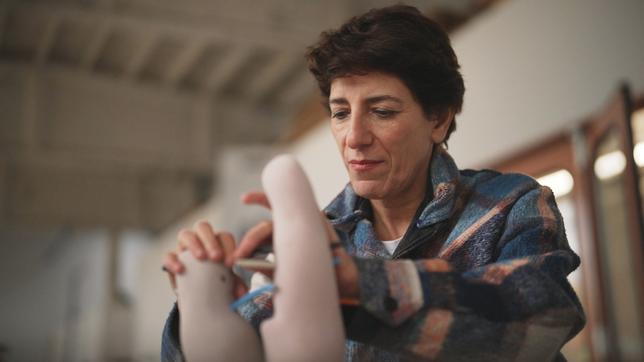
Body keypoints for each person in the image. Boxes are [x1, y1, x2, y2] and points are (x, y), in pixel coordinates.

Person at [161, 5, 585, 361]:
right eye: (340, 112)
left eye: (382, 111)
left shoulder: (512, 205)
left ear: (438, 118)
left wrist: (363, 287)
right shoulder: (310, 239)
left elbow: (545, 319)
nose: (354, 138)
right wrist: (203, 302)